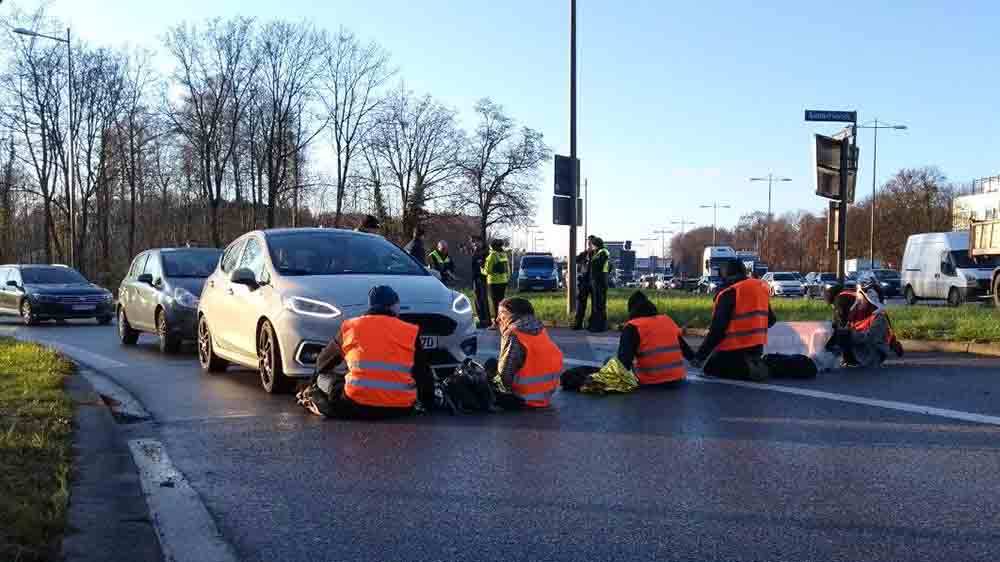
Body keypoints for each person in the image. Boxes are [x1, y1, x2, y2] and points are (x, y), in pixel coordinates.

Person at [296, 285, 435, 419]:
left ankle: (313, 394)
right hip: (400, 407)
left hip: (355, 404)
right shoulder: (409, 331)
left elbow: (323, 361)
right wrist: (429, 403)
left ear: (371, 306)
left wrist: (312, 381)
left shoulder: (351, 327)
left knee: (323, 377)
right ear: (394, 305)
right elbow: (423, 374)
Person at [692, 259, 776, 381]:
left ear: (726, 274)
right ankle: (755, 365)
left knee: (709, 368)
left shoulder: (729, 292)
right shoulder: (759, 288)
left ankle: (749, 370)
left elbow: (718, 330)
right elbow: (771, 320)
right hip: (756, 350)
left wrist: (700, 357)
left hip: (732, 351)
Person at [487, 297, 563, 408]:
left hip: (520, 398)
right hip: (545, 396)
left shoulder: (514, 333)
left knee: (490, 365)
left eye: (501, 313)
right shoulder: (540, 329)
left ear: (512, 315)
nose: (497, 319)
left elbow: (505, 373)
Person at [618, 291, 695, 386]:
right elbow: (684, 347)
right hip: (677, 379)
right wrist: (696, 360)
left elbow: (623, 362)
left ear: (631, 310)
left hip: (650, 382)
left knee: (609, 361)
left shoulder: (633, 327)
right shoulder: (667, 320)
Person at [826, 278, 903, 368]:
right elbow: (841, 324)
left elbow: (870, 338)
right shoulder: (855, 312)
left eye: (861, 297)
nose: (857, 299)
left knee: (843, 334)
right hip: (858, 352)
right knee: (838, 333)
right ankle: (825, 357)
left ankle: (825, 357)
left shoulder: (878, 317)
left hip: (871, 356)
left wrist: (848, 334)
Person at [482, 239, 510, 330]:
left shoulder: (492, 256)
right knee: (501, 303)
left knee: (495, 303)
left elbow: (487, 271)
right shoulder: (504, 255)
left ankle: (496, 323)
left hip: (494, 282)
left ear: (492, 247)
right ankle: (503, 321)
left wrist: (481, 270)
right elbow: (507, 268)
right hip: (503, 281)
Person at [588, 236, 610, 332]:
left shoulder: (603, 253)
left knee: (599, 305)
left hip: (600, 281)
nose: (591, 246)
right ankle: (598, 325)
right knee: (597, 304)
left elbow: (598, 265)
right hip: (598, 281)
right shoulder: (599, 252)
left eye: (592, 244)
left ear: (596, 245)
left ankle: (599, 326)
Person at [469, 237, 492, 328]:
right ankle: (481, 320)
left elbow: (484, 265)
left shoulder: (485, 252)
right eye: (472, 243)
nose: (474, 245)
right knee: (477, 300)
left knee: (483, 300)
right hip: (476, 278)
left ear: (480, 242)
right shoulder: (476, 251)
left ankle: (487, 320)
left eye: (475, 242)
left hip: (482, 278)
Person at [572, 244, 593, 330]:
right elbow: (576, 259)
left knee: (595, 305)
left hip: (593, 282)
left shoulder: (599, 254)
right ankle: (578, 323)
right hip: (584, 281)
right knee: (581, 303)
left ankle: (592, 324)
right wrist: (585, 253)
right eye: (589, 244)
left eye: (592, 244)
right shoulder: (585, 254)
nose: (590, 246)